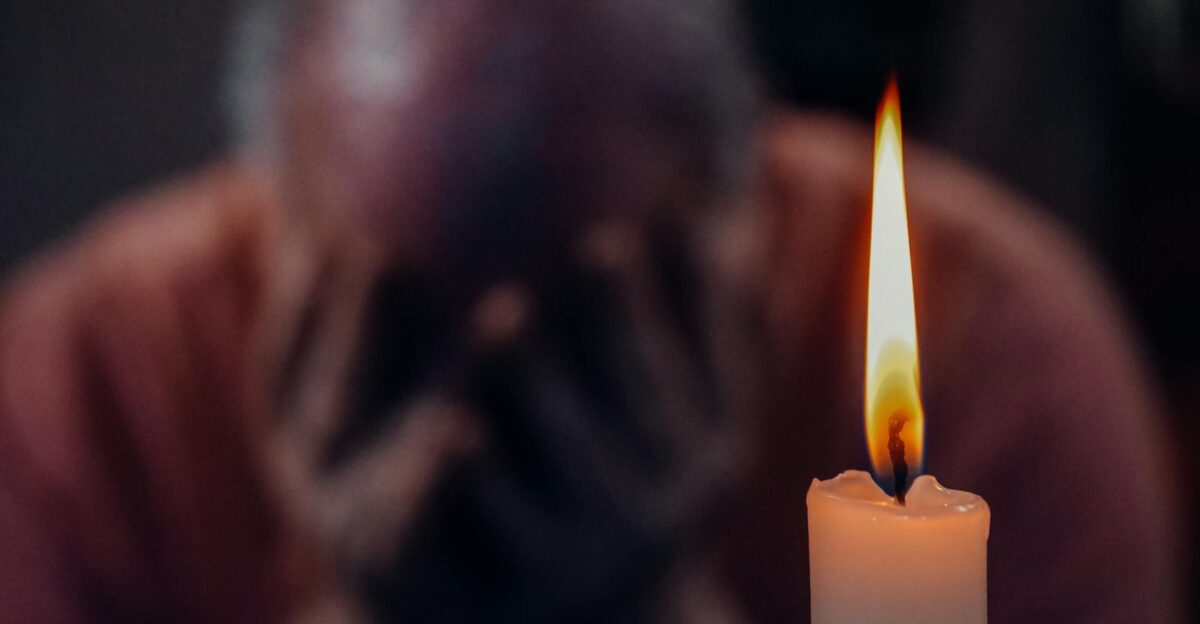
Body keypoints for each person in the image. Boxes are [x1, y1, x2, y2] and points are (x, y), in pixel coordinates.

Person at [0, 0, 1180, 622]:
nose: (493, 421)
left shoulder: (989, 342)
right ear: (272, 207)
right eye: (408, 321)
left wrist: (660, 602)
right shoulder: (81, 390)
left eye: (593, 319)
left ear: (743, 207)